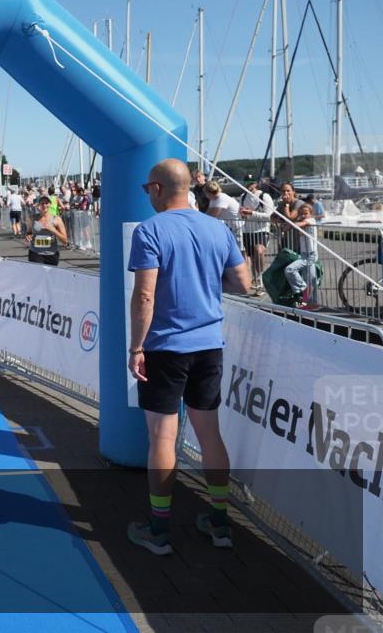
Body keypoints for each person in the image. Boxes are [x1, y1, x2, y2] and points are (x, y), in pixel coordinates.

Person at [127, 158, 250, 556]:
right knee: (209, 435)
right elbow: (243, 283)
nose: (148, 196)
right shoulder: (217, 228)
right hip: (209, 345)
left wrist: (136, 347)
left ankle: (159, 530)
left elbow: (145, 295)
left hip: (165, 347)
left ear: (158, 189)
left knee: (162, 438)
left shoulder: (150, 230)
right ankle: (219, 523)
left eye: (147, 190)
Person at [239, 181, 275, 294]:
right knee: (253, 258)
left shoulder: (264, 196)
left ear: (255, 184)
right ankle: (257, 282)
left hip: (262, 230)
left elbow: (269, 215)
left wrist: (252, 213)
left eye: (251, 183)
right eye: (246, 183)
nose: (248, 186)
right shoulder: (243, 196)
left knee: (258, 251)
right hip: (248, 231)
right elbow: (241, 213)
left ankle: (260, 278)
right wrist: (243, 213)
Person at [283, 202, 320, 309]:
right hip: (305, 254)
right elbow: (289, 229)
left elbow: (299, 225)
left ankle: (304, 290)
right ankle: (311, 303)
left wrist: (291, 224)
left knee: (289, 270)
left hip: (311, 255)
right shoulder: (302, 222)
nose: (304, 215)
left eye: (306, 213)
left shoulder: (311, 221)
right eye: (302, 214)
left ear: (311, 214)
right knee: (311, 279)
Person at [25, 195, 68, 265]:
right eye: (42, 203)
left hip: (51, 254)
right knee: (38, 275)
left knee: (50, 275)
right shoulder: (31, 218)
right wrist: (28, 235)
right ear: (38, 205)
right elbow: (28, 232)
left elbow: (65, 240)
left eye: (47, 203)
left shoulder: (57, 219)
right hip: (35, 253)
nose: (45, 205)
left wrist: (53, 230)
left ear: (50, 204)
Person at [203, 180, 243, 252]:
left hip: (238, 227)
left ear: (209, 193)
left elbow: (215, 215)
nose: (205, 196)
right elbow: (208, 213)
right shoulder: (213, 199)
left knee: (240, 250)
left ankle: (245, 263)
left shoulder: (222, 198)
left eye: (205, 193)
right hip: (230, 227)